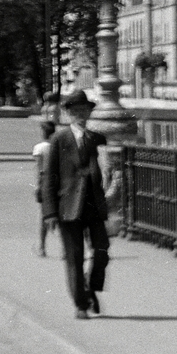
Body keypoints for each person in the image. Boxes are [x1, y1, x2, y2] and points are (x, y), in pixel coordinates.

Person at [41, 90, 111, 319]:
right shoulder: (59, 139)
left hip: (93, 206)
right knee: (75, 257)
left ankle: (91, 289)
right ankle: (81, 304)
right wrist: (49, 212)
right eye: (76, 111)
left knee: (101, 251)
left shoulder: (97, 139)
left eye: (84, 110)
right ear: (69, 113)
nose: (81, 114)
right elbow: (49, 178)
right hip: (67, 207)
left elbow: (107, 168)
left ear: (89, 112)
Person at [32, 119, 57, 257]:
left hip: (45, 181)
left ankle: (42, 247)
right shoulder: (57, 146)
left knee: (44, 215)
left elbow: (39, 169)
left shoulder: (39, 148)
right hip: (58, 180)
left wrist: (37, 186)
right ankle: (65, 250)